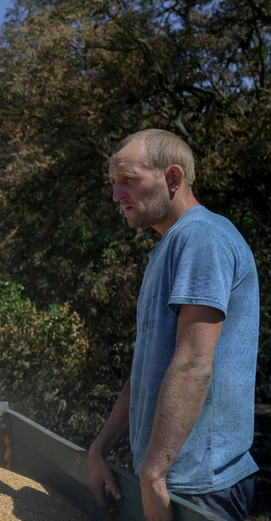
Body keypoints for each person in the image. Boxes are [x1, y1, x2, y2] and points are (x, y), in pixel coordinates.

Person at [87, 129, 259, 521]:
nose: (116, 195)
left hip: (200, 487)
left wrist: (154, 472)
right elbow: (147, 373)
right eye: (113, 183)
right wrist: (100, 448)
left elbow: (193, 364)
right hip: (166, 481)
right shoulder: (167, 249)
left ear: (174, 178)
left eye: (128, 181)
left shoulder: (203, 238)